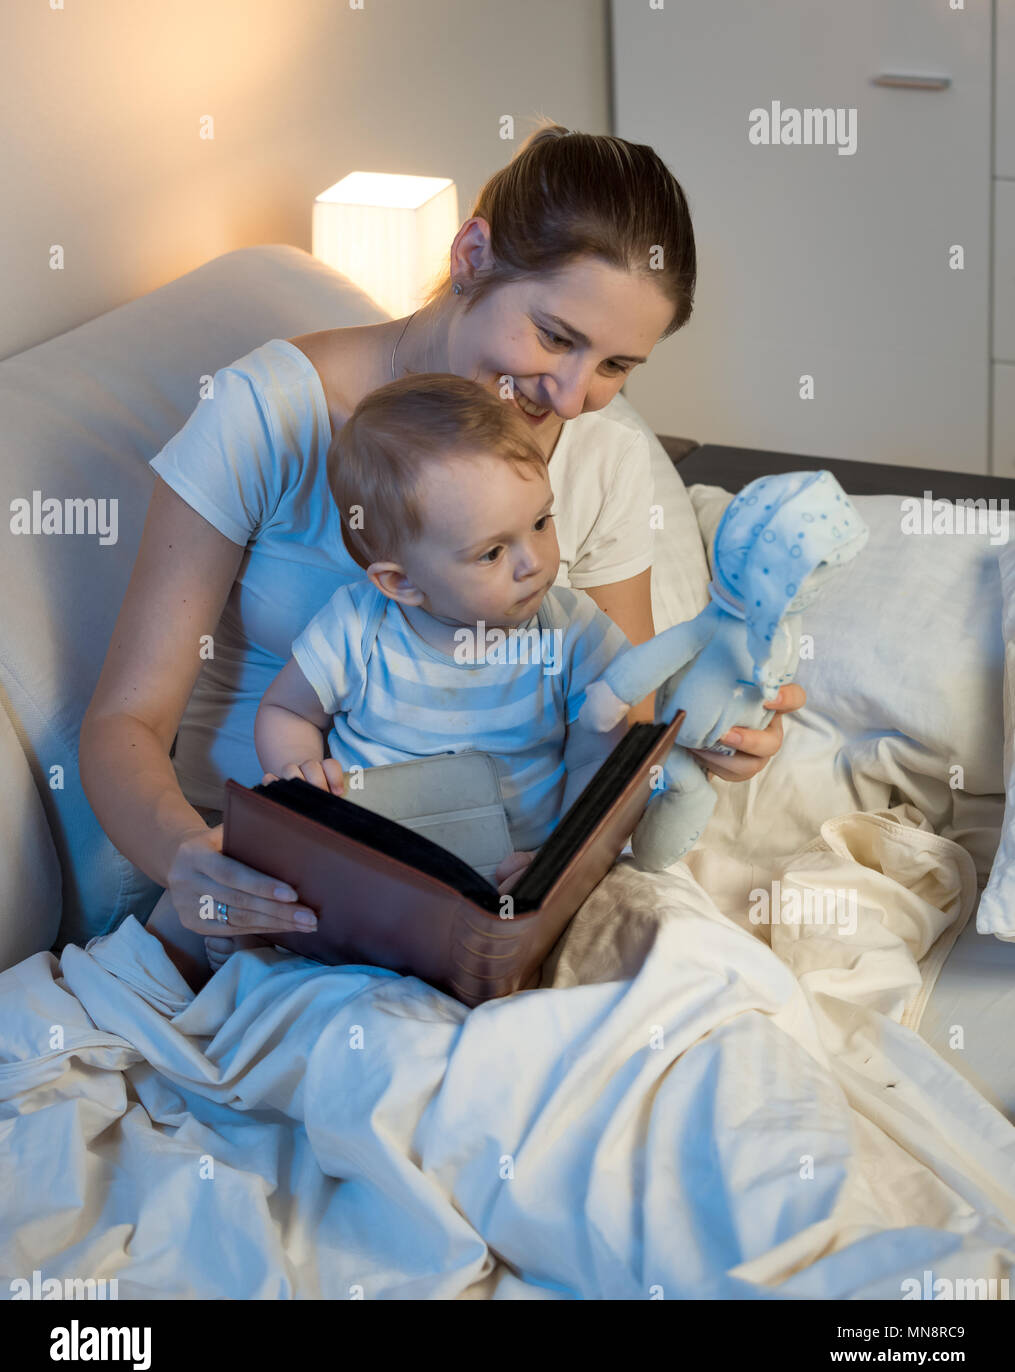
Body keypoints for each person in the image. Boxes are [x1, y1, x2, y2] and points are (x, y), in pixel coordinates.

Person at [79, 121, 805, 989]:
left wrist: (704, 729)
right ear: (470, 254)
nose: (572, 397)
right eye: (553, 336)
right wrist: (189, 863)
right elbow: (123, 723)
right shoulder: (266, 415)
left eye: (616, 364)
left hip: (499, 880)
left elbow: (620, 719)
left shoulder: (602, 449)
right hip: (280, 887)